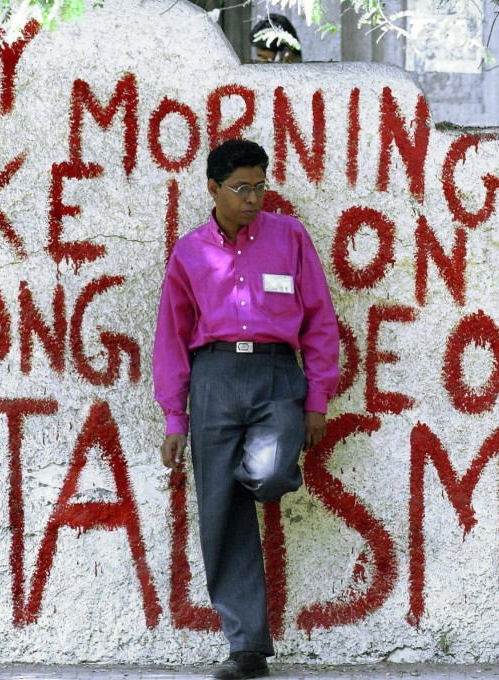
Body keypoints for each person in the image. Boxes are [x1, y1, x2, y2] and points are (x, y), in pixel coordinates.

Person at [152, 139, 339, 680]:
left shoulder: (290, 238)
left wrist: (317, 397)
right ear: (213, 189)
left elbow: (320, 322)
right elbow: (172, 337)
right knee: (219, 515)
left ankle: (238, 474)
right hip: (212, 377)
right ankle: (247, 648)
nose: (253, 198)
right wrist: (174, 417)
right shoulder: (189, 253)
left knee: (272, 469)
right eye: (241, 188)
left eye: (260, 186)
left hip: (277, 374)